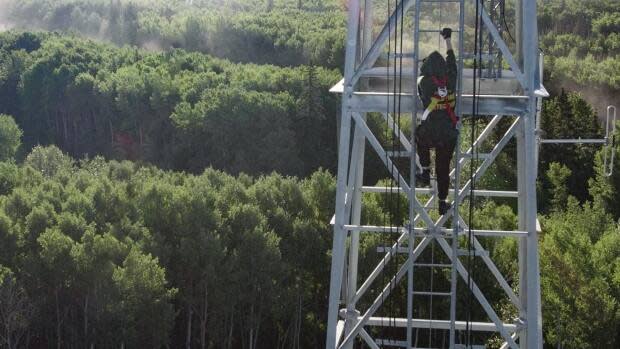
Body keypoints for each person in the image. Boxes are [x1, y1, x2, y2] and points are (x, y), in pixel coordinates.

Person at [415, 28, 459, 215]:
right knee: (443, 168)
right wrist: (448, 39)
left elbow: (421, 93)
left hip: (431, 131)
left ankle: (425, 171)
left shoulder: (424, 82)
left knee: (419, 136)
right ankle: (442, 201)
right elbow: (451, 58)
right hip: (448, 133)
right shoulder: (451, 77)